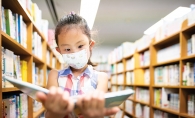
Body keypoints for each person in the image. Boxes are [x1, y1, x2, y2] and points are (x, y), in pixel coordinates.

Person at [36, 12, 119, 118]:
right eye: (67, 49)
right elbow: (49, 114)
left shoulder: (101, 78)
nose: (74, 52)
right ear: (59, 51)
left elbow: (98, 111)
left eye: (80, 46)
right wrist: (55, 112)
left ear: (90, 45)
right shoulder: (54, 75)